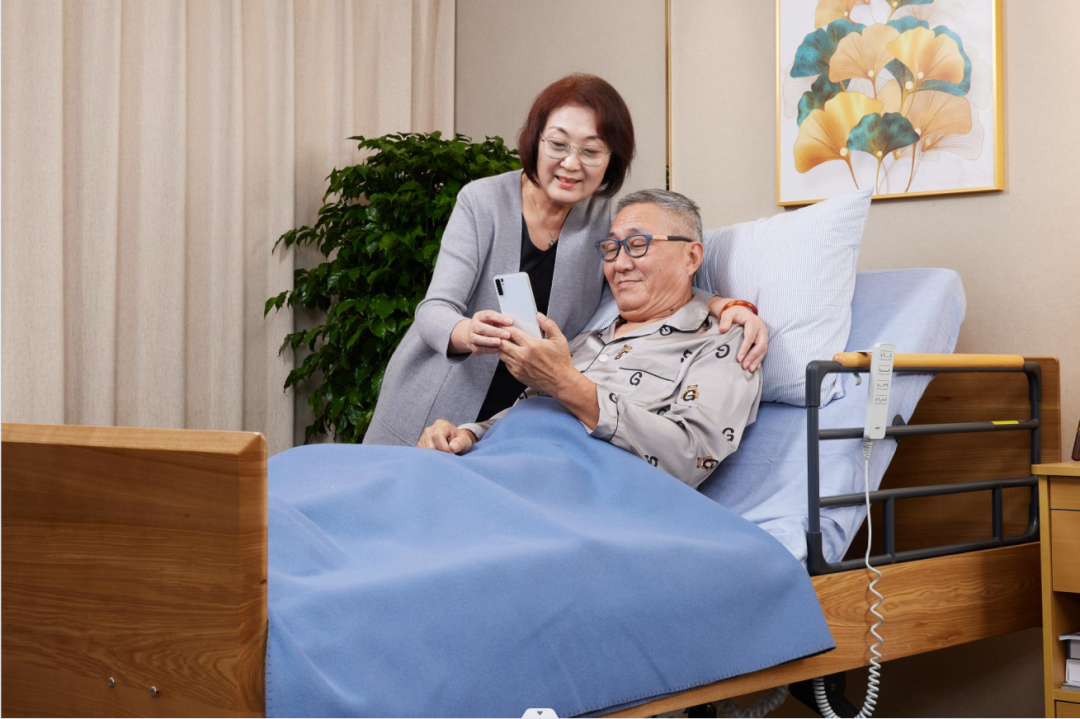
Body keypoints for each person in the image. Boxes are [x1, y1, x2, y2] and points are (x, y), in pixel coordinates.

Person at [364, 74, 767, 447]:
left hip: (523, 407)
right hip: (441, 389)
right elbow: (434, 309)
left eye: (591, 151)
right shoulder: (482, 201)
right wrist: (468, 332)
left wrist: (724, 305)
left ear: (611, 159)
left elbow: (654, 272)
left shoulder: (606, 222)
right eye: (558, 145)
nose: (572, 164)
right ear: (535, 142)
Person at [418, 190, 763, 489]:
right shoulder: (588, 339)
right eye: (611, 248)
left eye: (638, 245)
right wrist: (468, 435)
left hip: (569, 492)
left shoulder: (723, 342)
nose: (619, 264)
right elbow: (529, 409)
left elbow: (692, 456)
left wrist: (565, 383)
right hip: (492, 464)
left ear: (692, 257)